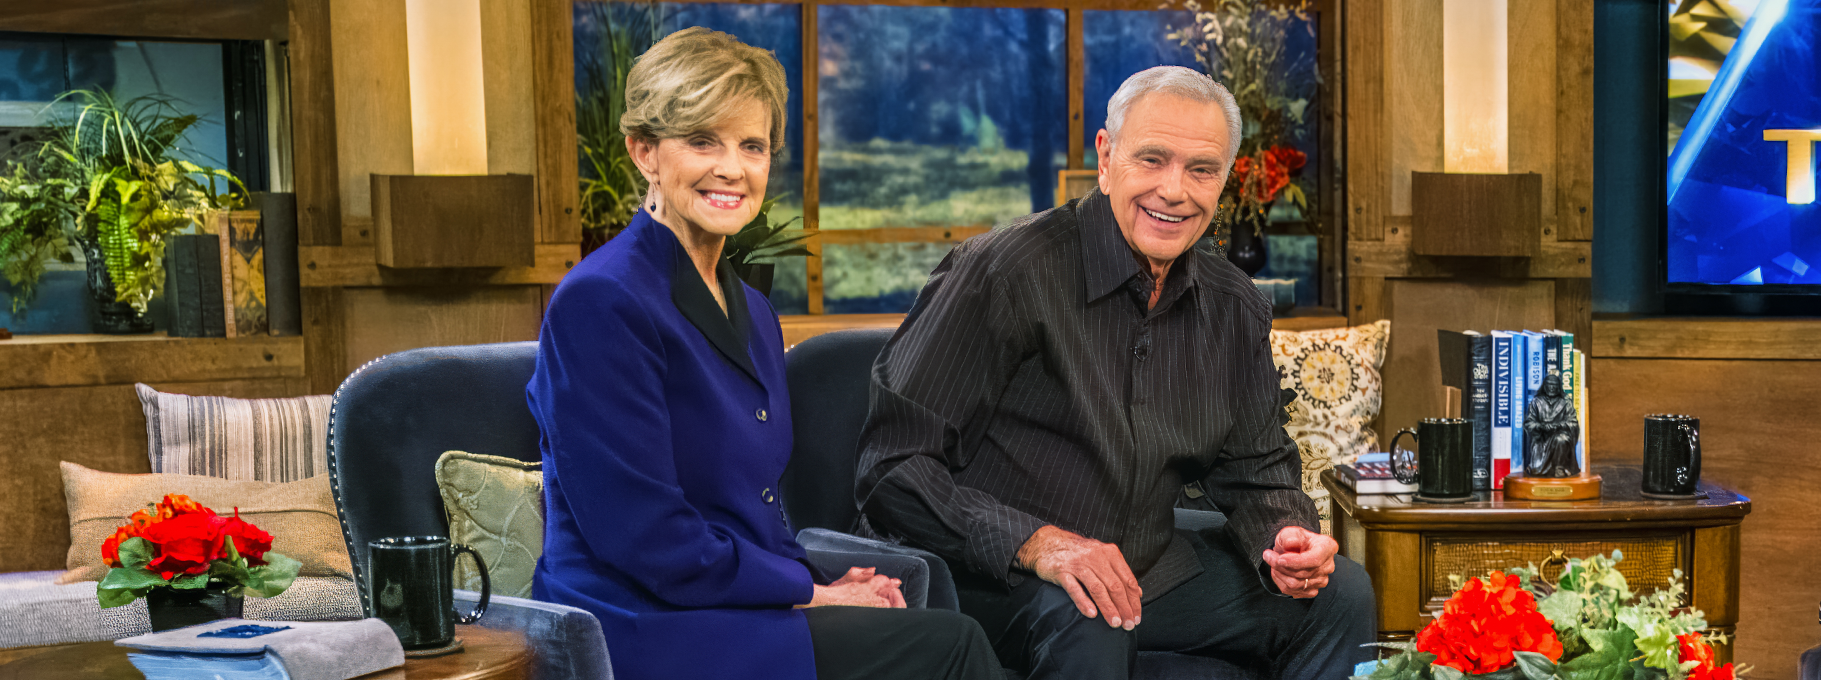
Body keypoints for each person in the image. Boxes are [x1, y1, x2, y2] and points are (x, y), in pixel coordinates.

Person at [854, 65, 1376, 680]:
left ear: (1224, 183)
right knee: (1092, 609)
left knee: (1339, 594)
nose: (1174, 190)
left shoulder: (1234, 305)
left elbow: (1256, 470)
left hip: (1140, 570)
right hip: (986, 576)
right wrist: (1039, 544)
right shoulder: (1005, 271)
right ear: (1106, 158)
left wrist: (1288, 539)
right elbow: (890, 467)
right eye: (1151, 159)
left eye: (1201, 170)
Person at [528, 27, 1004, 680]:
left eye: (752, 146)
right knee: (951, 648)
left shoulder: (752, 311)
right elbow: (644, 535)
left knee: (930, 621)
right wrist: (813, 593)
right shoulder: (602, 301)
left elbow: (751, 507)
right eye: (703, 141)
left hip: (721, 605)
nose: (732, 168)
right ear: (644, 152)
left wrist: (819, 575)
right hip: (635, 621)